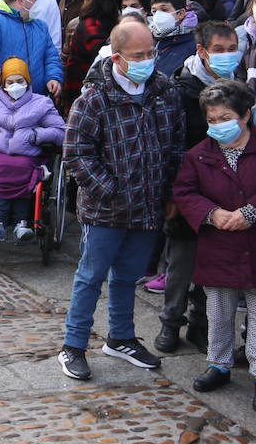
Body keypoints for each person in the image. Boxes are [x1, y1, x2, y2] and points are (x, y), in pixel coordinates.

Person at [58, 19, 184, 381]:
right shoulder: (95, 98)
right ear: (117, 58)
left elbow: (176, 145)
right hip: (105, 208)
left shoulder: (164, 90)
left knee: (127, 276)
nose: (147, 60)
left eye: (151, 53)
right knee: (90, 276)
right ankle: (74, 345)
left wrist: (171, 190)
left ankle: (122, 337)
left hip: (149, 204)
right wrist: (110, 190)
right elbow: (77, 154)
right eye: (138, 55)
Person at [174, 78, 256, 415]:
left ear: (244, 116)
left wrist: (251, 213)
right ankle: (219, 365)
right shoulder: (198, 155)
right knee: (218, 310)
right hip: (219, 244)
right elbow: (185, 192)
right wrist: (213, 215)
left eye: (225, 118)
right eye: (212, 120)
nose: (218, 126)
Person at [154, 20, 239, 353]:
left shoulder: (237, 90)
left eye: (232, 49)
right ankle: (171, 323)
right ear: (202, 51)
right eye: (218, 50)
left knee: (213, 265)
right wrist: (173, 191)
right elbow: (170, 143)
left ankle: (201, 324)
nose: (226, 56)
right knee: (181, 263)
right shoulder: (181, 90)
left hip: (225, 191)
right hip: (188, 190)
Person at [0, 59, 67, 242]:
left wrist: (36, 135)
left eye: (20, 81)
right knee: (5, 165)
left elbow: (60, 131)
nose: (15, 86)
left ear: (28, 82)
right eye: (10, 82)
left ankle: (21, 223)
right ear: (3, 83)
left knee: (20, 167)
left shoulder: (41, 103)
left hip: (28, 151)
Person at [148, 0, 196, 77]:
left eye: (164, 10)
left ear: (180, 13)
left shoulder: (194, 43)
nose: (158, 15)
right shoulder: (149, 39)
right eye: (154, 11)